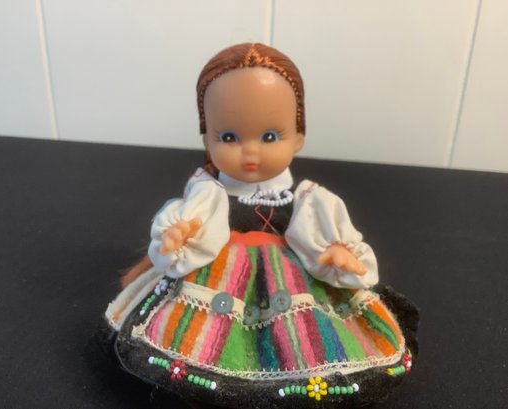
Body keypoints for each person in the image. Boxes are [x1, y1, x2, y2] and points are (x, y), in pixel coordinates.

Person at [102, 43, 418, 408]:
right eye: (229, 137)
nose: (250, 151)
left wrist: (335, 252)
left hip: (291, 276)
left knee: (307, 338)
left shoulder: (308, 200)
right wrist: (178, 237)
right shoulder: (208, 196)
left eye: (269, 136)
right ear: (206, 138)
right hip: (217, 273)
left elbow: (320, 239)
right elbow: (189, 231)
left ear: (298, 137)